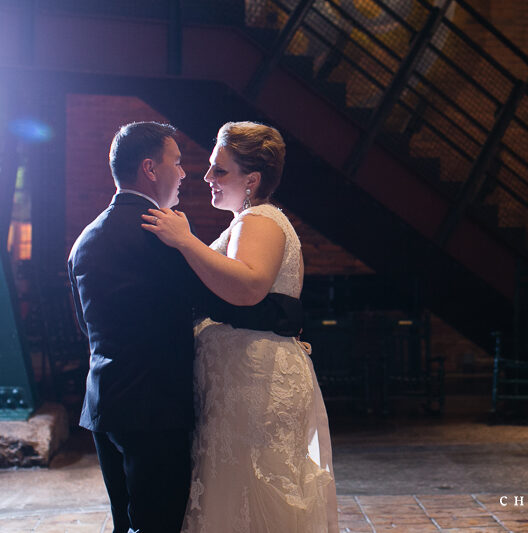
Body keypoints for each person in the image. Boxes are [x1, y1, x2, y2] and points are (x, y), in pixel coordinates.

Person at [68, 121, 303, 533]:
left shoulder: (85, 239)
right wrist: (285, 318)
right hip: (156, 409)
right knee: (159, 524)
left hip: (104, 404)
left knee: (125, 524)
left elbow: (82, 325)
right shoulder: (161, 235)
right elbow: (222, 301)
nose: (185, 173)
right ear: (149, 169)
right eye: (176, 163)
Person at [141, 121, 338, 532]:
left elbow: (248, 287)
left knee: (252, 486)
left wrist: (185, 240)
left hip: (255, 382)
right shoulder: (246, 222)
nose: (208, 177)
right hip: (246, 377)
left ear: (252, 179)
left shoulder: (259, 221)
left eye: (220, 170)